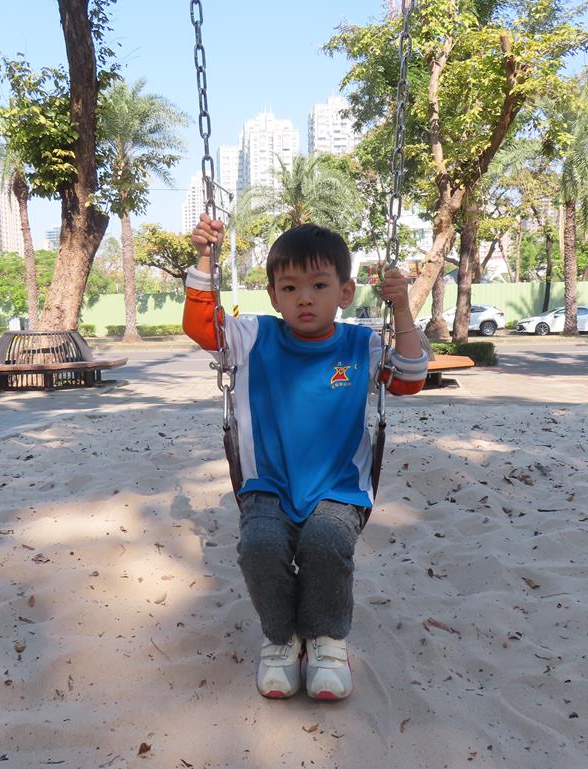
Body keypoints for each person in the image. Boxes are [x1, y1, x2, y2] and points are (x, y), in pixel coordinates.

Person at [183, 214, 429, 700]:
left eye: (319, 285)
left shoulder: (361, 344)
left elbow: (409, 379)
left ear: (345, 292)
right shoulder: (254, 337)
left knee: (324, 543)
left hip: (339, 486)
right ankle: (281, 639)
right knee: (259, 547)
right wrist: (205, 259)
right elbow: (201, 327)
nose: (305, 298)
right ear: (273, 296)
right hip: (267, 485)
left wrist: (401, 309)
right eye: (290, 287)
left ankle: (326, 639)